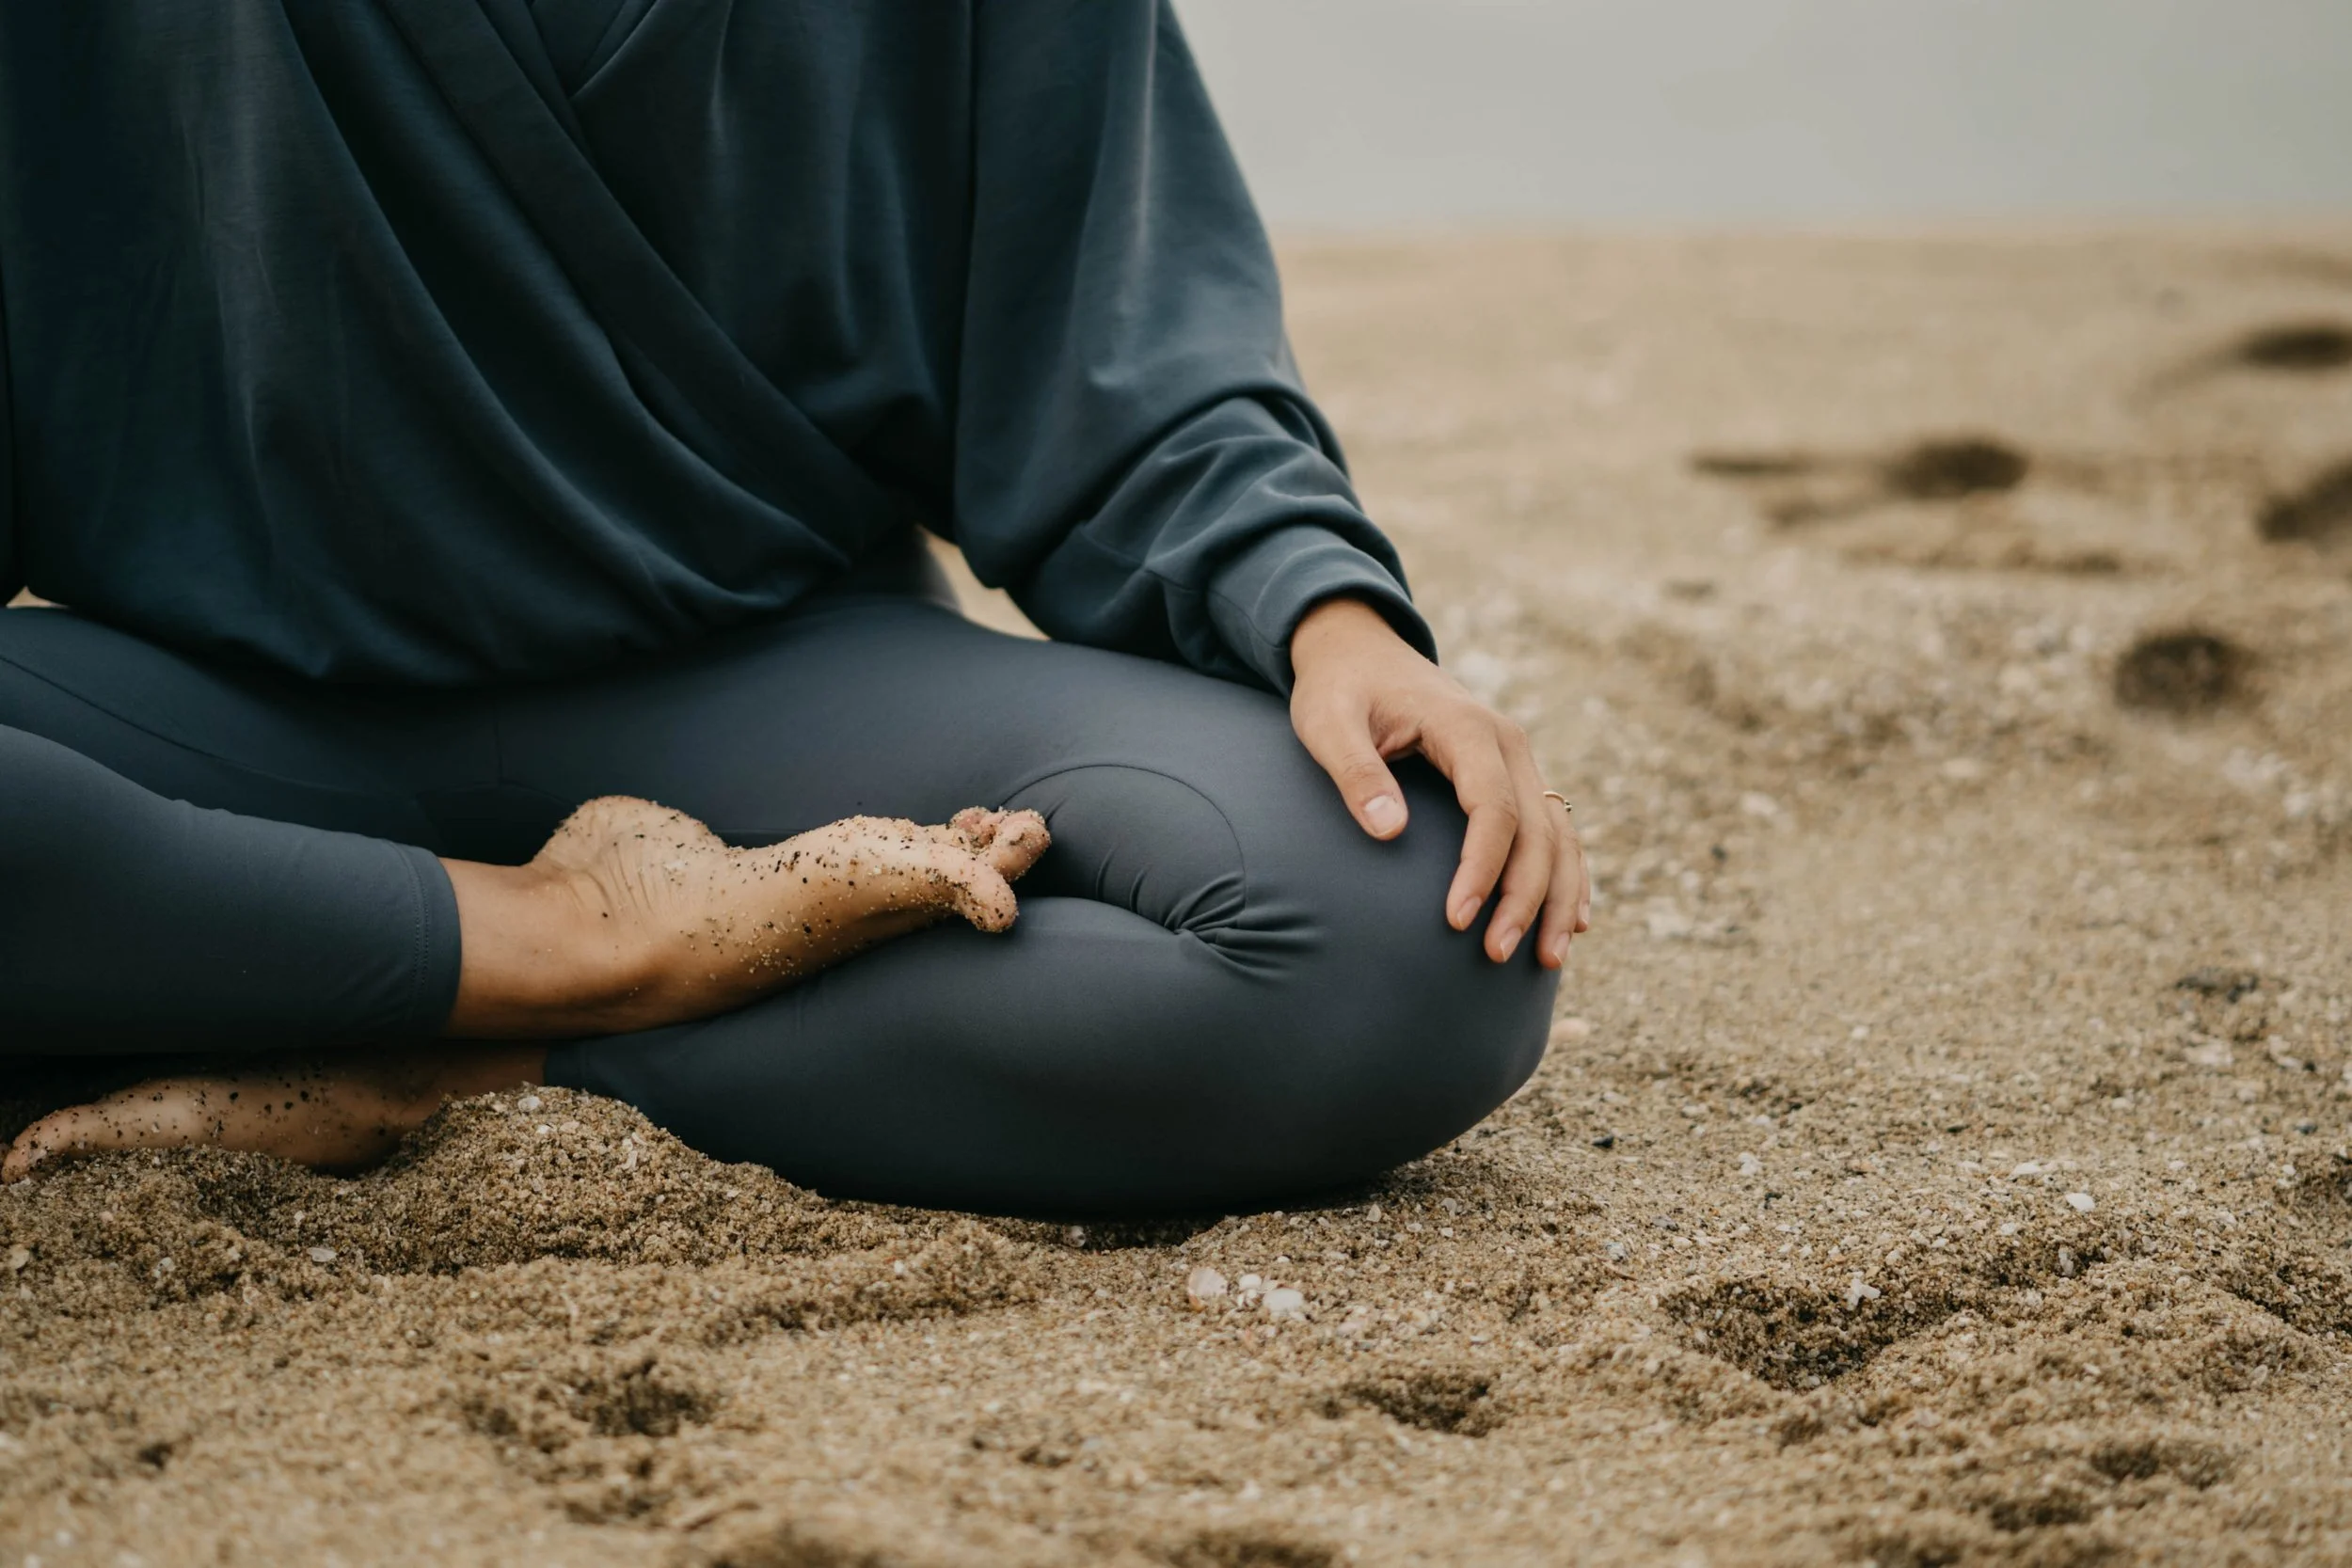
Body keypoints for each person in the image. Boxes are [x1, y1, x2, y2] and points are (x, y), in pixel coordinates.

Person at [0, 0, 1586, 1214]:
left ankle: (463, 1052)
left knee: (1418, 924)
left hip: (770, 687)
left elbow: (1120, 350)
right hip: (202, 719)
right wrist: (560, 929)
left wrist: (1326, 617)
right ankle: (551, 950)